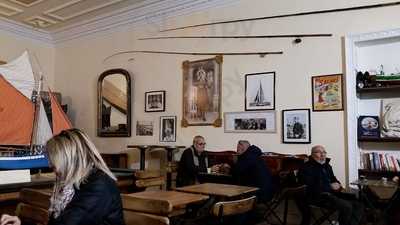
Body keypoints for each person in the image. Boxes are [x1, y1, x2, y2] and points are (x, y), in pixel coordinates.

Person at [1, 128, 125, 225]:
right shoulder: (70, 184)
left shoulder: (98, 185)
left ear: (69, 159)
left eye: (54, 159)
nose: (50, 164)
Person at [298, 145, 363, 225]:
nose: (322, 154)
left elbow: (334, 180)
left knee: (359, 205)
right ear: (312, 154)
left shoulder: (327, 166)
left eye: (324, 152)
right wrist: (329, 186)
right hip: (317, 197)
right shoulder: (306, 167)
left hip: (331, 195)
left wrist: (338, 185)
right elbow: (309, 185)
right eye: (319, 152)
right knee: (347, 206)